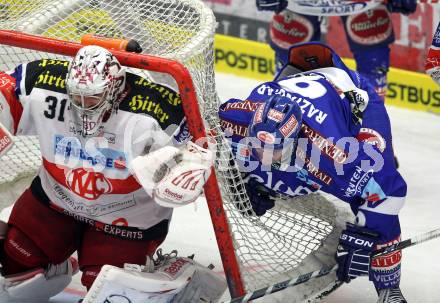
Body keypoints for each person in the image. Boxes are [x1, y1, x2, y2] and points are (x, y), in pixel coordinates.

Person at [0, 45, 224, 302]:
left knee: (113, 294)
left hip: (126, 219)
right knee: (17, 267)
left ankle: (183, 279)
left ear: (115, 90)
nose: (82, 106)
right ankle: (53, 267)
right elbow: (8, 88)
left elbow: (203, 141)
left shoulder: (157, 107)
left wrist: (190, 166)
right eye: (76, 96)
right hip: (56, 200)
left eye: (92, 98)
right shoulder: (43, 80)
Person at [218, 42, 407, 303]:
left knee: (379, 170)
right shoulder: (235, 118)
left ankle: (390, 290)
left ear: (296, 141)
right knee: (261, 168)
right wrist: (244, 177)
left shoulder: (334, 154)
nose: (262, 155)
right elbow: (196, 125)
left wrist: (366, 234)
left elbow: (389, 192)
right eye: (257, 146)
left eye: (273, 150)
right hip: (296, 79)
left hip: (352, 94)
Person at [256, 0, 417, 99]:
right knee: (289, 64)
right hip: (299, 4)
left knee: (373, 62)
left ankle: (373, 139)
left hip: (363, 4)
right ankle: (280, 131)